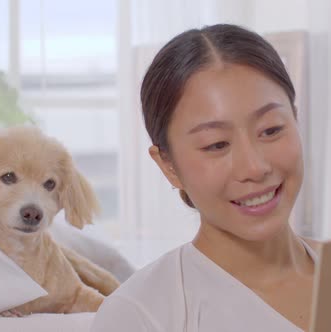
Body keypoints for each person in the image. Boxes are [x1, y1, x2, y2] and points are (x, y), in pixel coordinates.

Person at [91, 23, 318, 332]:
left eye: (271, 129)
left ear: (295, 117)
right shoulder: (140, 315)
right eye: (217, 145)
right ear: (168, 165)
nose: (254, 167)